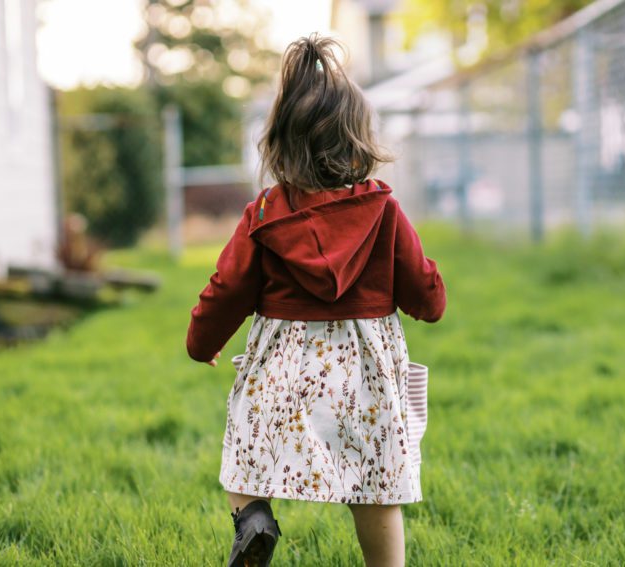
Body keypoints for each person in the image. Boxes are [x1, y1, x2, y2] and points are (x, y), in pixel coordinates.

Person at [186, 33, 446, 567]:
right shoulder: (384, 212)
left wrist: (201, 342)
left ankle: (254, 518)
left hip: (284, 368)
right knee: (375, 484)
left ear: (281, 141)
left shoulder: (263, 215)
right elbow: (426, 295)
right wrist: (429, 293)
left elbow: (227, 288)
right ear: (358, 140)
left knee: (245, 454)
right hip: (365, 373)